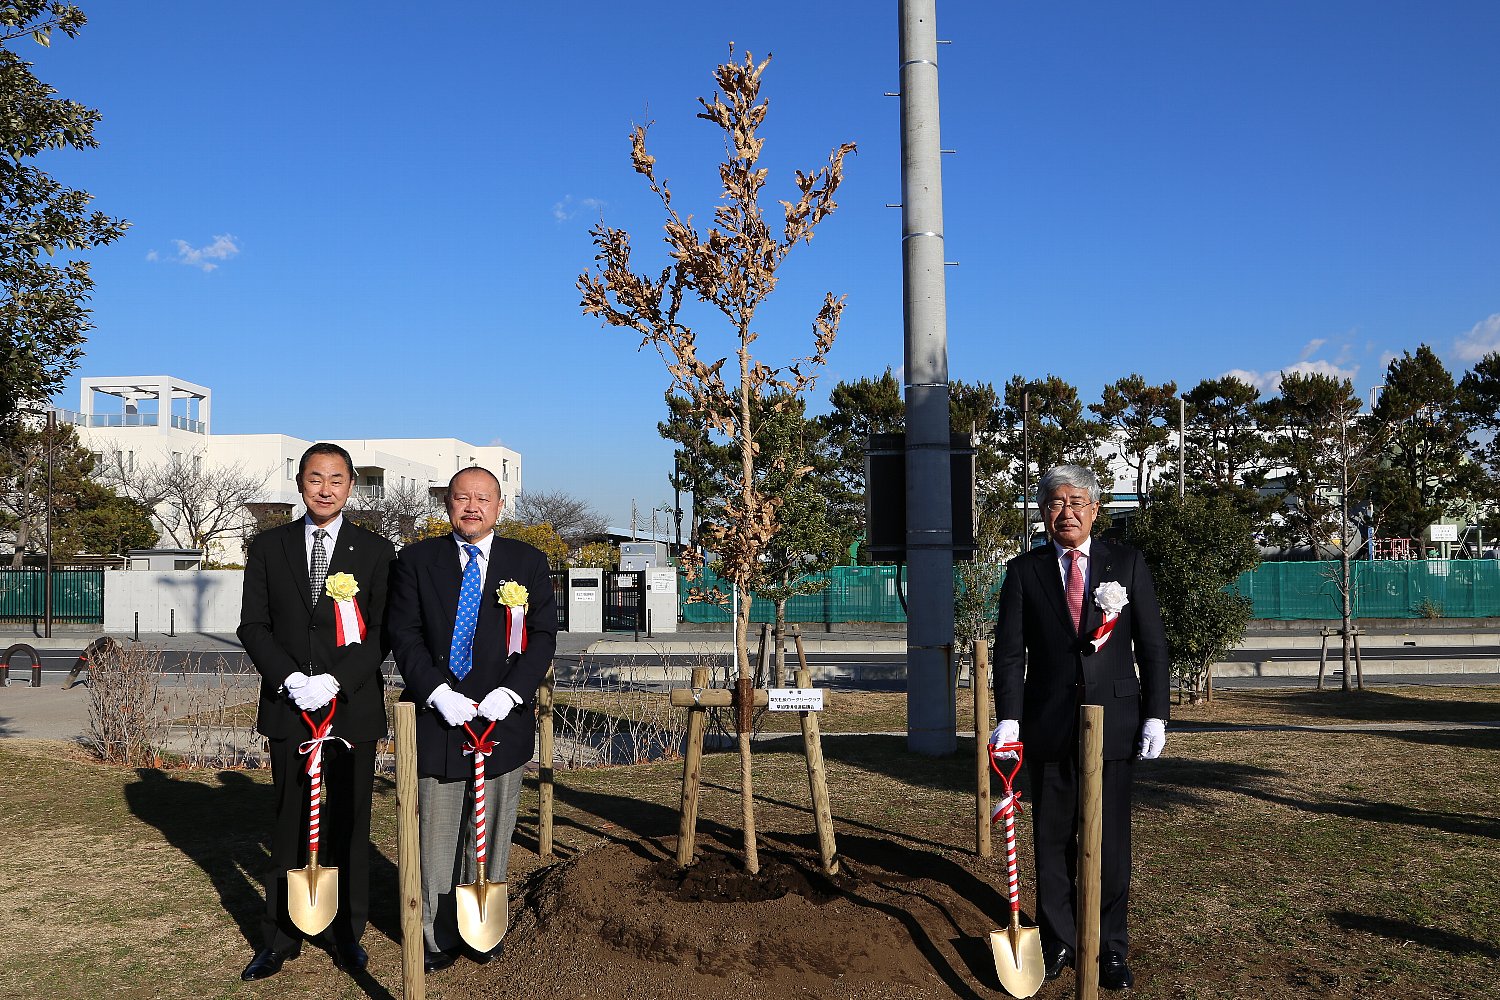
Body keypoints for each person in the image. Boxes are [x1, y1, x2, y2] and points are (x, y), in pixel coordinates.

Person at [990, 464, 1170, 991]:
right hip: (1047, 725)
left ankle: (1111, 944)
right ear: (1043, 512)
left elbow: (1152, 646)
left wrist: (1156, 713)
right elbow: (1009, 654)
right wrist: (1008, 718)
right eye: (1054, 504)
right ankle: (1059, 936)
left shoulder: (1126, 563)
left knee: (1111, 841)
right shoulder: (1025, 571)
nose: (1065, 513)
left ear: (1094, 509)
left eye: (1076, 503)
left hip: (1113, 722)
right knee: (1051, 837)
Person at [387, 466, 558, 972]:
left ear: (499, 506)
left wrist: (513, 691)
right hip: (441, 718)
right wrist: (436, 691)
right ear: (448, 504)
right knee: (438, 833)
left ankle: (481, 926)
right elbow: (404, 632)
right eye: (462, 497)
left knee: (493, 829)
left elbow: (543, 635)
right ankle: (435, 931)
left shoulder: (526, 562)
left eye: (483, 498)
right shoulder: (417, 560)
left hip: (501, 719)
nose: (471, 506)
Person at [238, 443, 396, 980]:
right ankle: (280, 936)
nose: (324, 489)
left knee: (349, 818)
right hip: (290, 707)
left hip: (350, 708)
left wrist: (335, 680)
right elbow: (253, 626)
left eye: (335, 479)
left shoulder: (375, 552)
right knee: (287, 819)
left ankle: (347, 932)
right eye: (313, 479)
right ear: (299, 483)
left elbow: (381, 632)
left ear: (351, 485)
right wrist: (290, 679)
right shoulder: (267, 547)